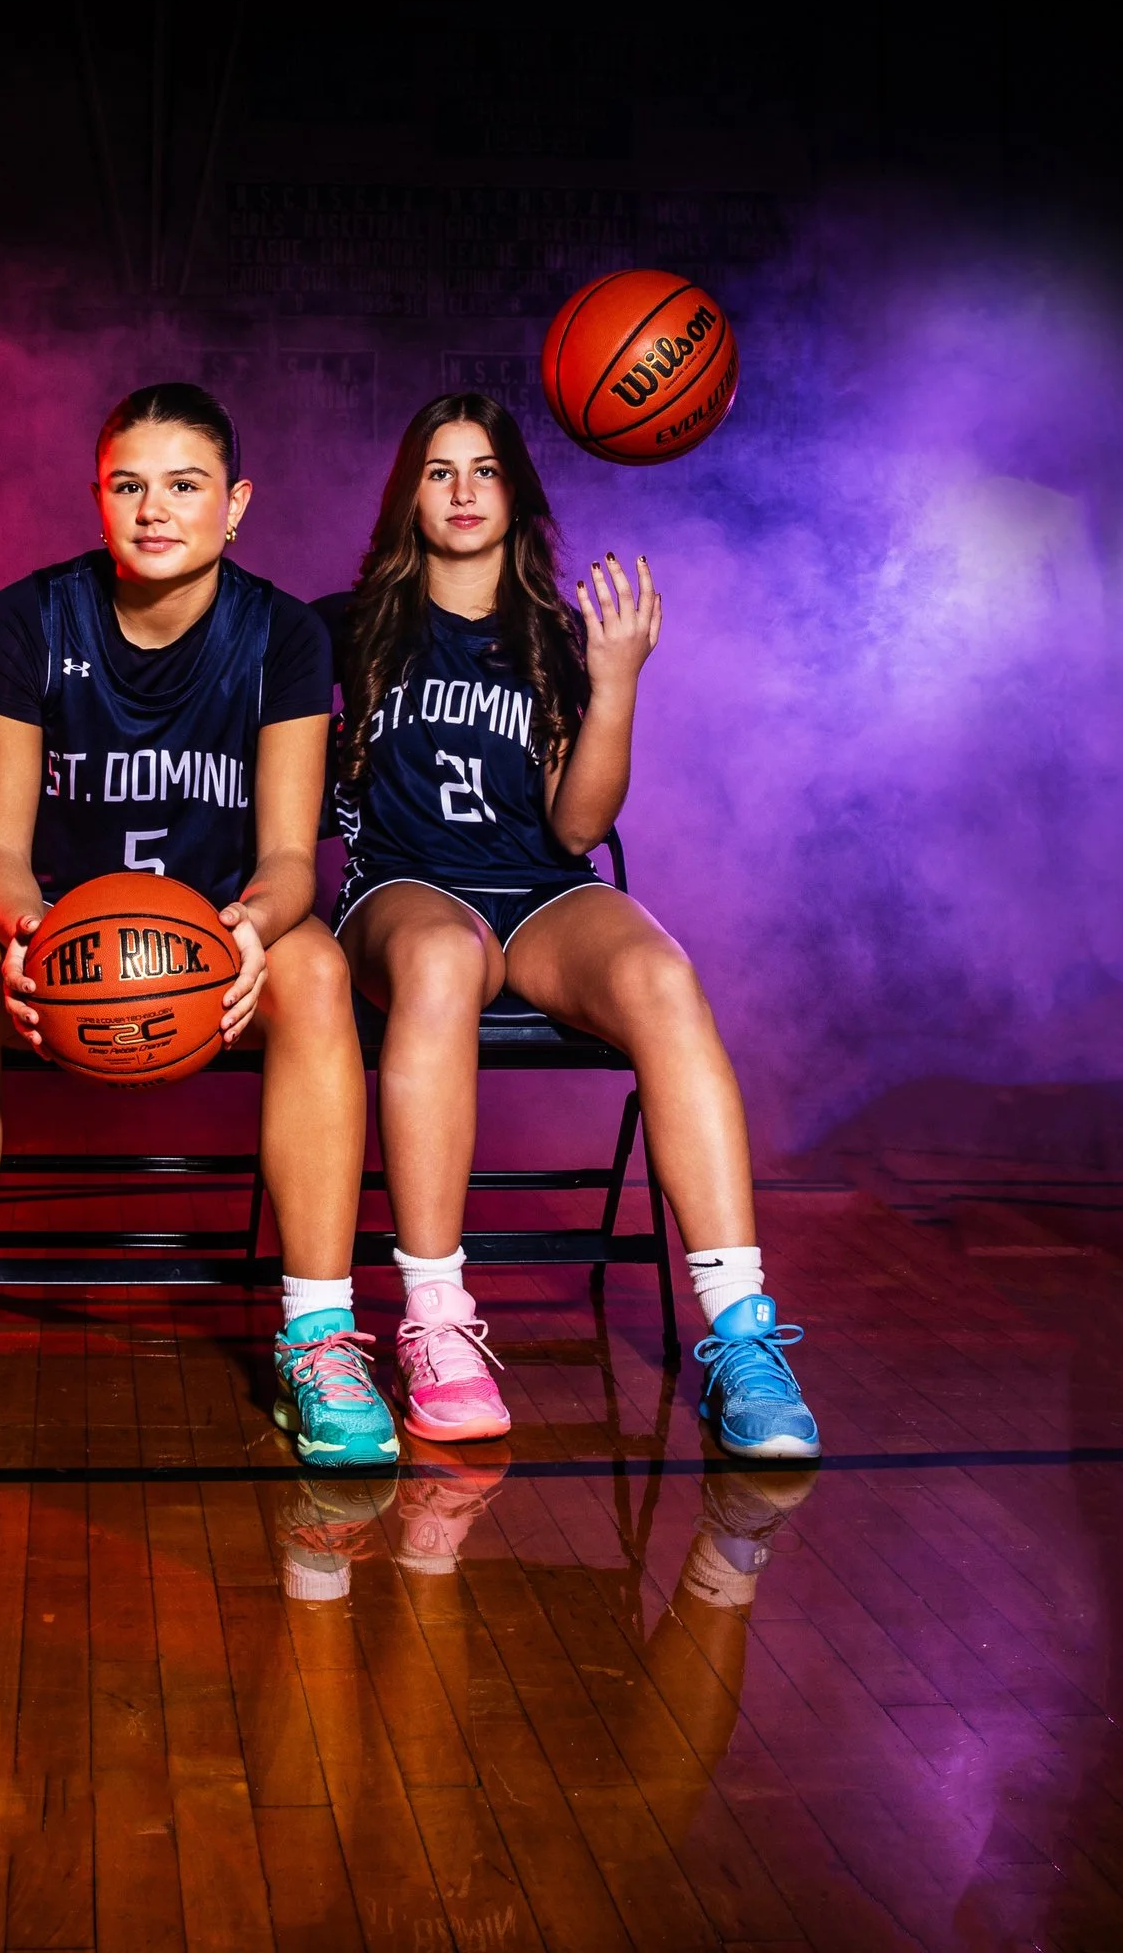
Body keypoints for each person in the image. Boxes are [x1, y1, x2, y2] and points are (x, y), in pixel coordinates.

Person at [0, 382, 391, 1471]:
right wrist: (26, 930)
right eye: (128, 485)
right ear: (97, 499)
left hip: (213, 931)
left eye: (185, 485)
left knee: (320, 974)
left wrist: (250, 928)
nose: (155, 509)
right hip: (59, 925)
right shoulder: (27, 618)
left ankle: (319, 1332)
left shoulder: (284, 634)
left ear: (235, 503)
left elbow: (293, 857)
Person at [327, 391, 820, 1459]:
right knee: (443, 960)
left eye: (484, 470)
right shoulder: (343, 624)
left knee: (663, 978)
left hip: (539, 890)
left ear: (516, 493)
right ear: (407, 492)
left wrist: (615, 683)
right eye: (438, 469)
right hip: (407, 890)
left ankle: (741, 1337)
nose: (461, 491)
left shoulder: (557, 633)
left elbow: (580, 824)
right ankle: (436, 1319)